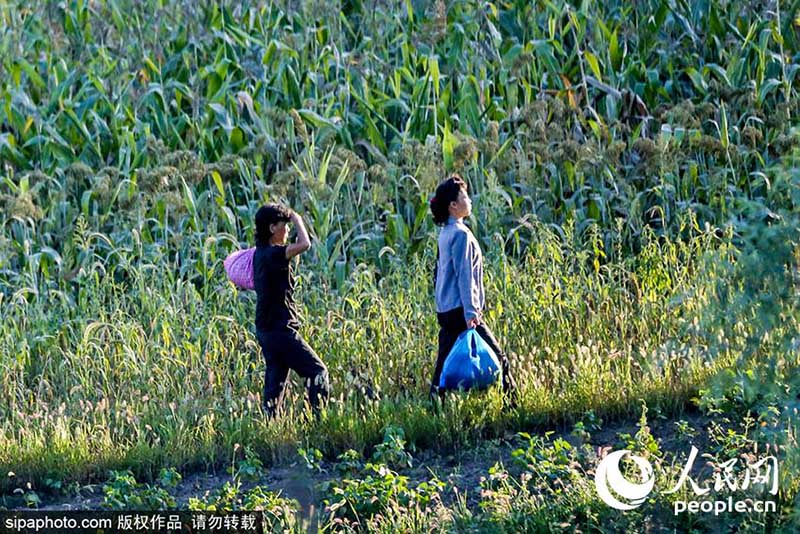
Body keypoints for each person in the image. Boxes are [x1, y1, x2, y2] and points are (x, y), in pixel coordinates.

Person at [429, 174, 516, 404]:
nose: (469, 199)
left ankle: (434, 407)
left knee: (443, 367)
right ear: (453, 206)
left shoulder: (445, 233)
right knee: (499, 358)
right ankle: (514, 407)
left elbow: (439, 274)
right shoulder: (460, 235)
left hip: (446, 310)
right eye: (464, 196)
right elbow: (464, 276)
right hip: (460, 311)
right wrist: (471, 314)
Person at [252, 203, 330, 418]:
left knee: (274, 388)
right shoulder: (274, 254)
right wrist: (296, 218)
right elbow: (305, 244)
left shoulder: (260, 254)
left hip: (266, 330)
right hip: (280, 330)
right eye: (283, 226)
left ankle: (270, 430)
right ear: (271, 229)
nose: (287, 230)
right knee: (318, 372)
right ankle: (318, 422)